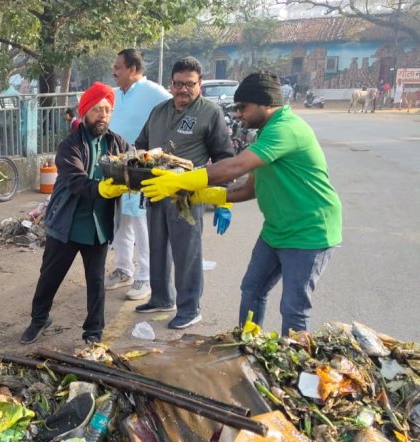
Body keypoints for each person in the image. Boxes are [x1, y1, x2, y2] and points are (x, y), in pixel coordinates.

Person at [141, 72, 342, 336]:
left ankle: (296, 372)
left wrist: (182, 182)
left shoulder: (286, 129)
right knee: (252, 289)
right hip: (277, 230)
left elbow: (235, 165)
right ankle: (248, 347)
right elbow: (250, 187)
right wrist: (206, 196)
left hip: (309, 232)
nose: (237, 114)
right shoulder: (267, 132)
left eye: (242, 107)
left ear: (265, 103)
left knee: (293, 308)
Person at [19, 82, 131, 345]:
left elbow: (131, 167)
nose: (103, 115)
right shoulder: (70, 145)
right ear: (84, 113)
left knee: (96, 281)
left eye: (107, 109)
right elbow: (76, 181)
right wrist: (103, 188)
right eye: (97, 109)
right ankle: (39, 319)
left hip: (98, 226)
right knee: (50, 277)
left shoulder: (118, 143)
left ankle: (93, 331)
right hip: (67, 223)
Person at [133, 57, 235, 330]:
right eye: (178, 84)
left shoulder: (209, 113)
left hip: (187, 199)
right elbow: (142, 145)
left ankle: (190, 309)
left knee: (186, 254)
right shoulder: (158, 111)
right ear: (172, 83)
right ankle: (161, 298)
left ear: (199, 84)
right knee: (157, 249)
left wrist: (224, 199)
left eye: (189, 84)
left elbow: (225, 157)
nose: (183, 90)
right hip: (156, 193)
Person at [104, 48, 172, 301]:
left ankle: (146, 275)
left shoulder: (154, 93)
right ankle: (124, 269)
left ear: (133, 69)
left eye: (118, 67)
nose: (114, 71)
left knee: (142, 222)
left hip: (142, 167)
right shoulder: (114, 94)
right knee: (119, 220)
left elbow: (173, 114)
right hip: (116, 166)